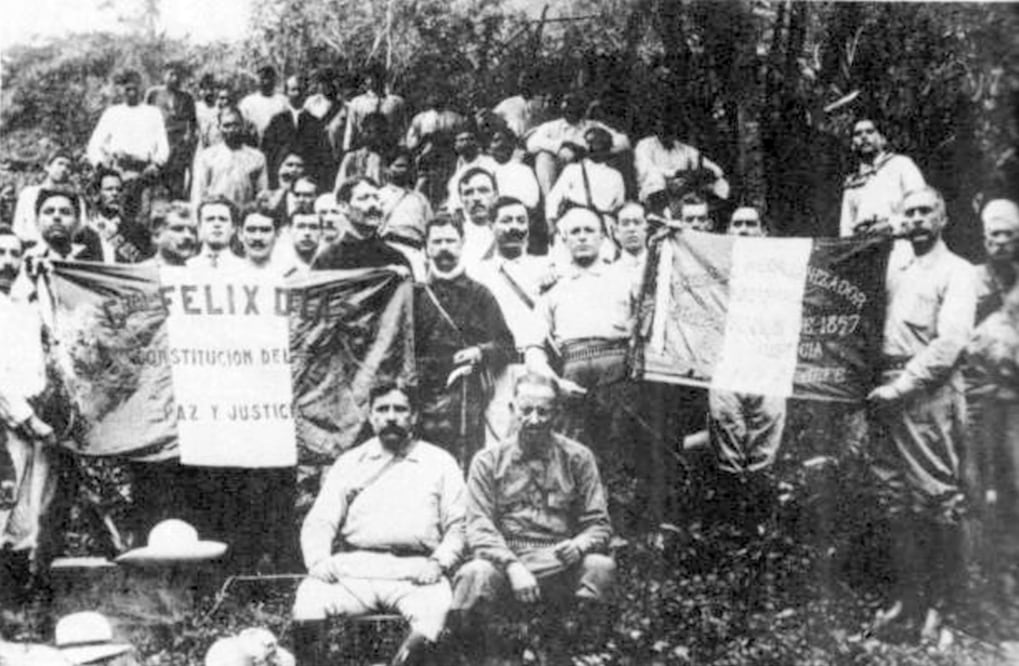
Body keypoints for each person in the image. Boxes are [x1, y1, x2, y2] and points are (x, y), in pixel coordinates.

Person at [866, 186, 975, 645]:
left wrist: (902, 386)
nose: (915, 220)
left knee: (936, 500)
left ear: (943, 217)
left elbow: (950, 343)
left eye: (925, 211)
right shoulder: (892, 265)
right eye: (908, 212)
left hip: (926, 394)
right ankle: (905, 599)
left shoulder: (958, 271)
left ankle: (940, 607)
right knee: (893, 500)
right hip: (883, 393)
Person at [291, 381, 466, 666]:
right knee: (310, 597)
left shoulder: (439, 462)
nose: (391, 417)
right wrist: (318, 560)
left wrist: (439, 562)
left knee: (437, 609)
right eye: (382, 409)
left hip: (415, 572)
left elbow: (458, 526)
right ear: (371, 416)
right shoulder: (351, 462)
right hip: (355, 570)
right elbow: (320, 519)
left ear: (414, 416)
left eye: (400, 409)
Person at [450, 373, 615, 665]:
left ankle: (581, 653)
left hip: (560, 560)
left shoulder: (579, 458)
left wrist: (579, 544)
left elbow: (598, 524)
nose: (535, 419)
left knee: (599, 567)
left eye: (544, 411)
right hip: (505, 560)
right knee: (474, 574)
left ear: (557, 413)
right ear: (513, 409)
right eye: (526, 410)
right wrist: (512, 565)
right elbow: (478, 526)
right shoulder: (488, 461)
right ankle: (474, 656)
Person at [706, 206, 786, 529]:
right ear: (727, 231)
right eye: (736, 224)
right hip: (726, 363)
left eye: (750, 224)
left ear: (763, 232)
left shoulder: (781, 266)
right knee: (727, 431)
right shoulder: (712, 266)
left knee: (765, 433)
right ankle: (731, 523)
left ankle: (761, 524)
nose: (743, 229)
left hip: (768, 363)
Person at [414, 213, 516, 465]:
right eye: (436, 242)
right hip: (422, 394)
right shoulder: (414, 296)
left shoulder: (480, 295)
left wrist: (480, 352)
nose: (444, 248)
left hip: (465, 394)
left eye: (450, 240)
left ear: (462, 243)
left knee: (465, 462)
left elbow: (506, 345)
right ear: (426, 248)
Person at [0, 228, 57, 610]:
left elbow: (53, 339)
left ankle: (14, 609)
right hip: (7, 423)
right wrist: (22, 415)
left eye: (14, 253)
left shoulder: (21, 305)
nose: (6, 261)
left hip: (32, 425)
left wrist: (45, 280)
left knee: (27, 516)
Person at [468, 196, 556, 445]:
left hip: (542, 366)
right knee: (499, 440)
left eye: (521, 220)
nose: (514, 227)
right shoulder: (477, 272)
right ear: (491, 225)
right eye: (506, 220)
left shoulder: (548, 266)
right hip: (501, 367)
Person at [965, 199, 1019, 519]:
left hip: (1014, 394)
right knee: (976, 475)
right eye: (993, 235)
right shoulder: (970, 280)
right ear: (984, 240)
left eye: (1008, 235)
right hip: (977, 392)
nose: (1000, 242)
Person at [86, 69, 169, 221]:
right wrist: (102, 166)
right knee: (115, 216)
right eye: (127, 88)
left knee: (142, 217)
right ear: (121, 90)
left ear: (141, 88)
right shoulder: (113, 113)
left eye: (134, 88)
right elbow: (94, 145)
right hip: (118, 172)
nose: (131, 92)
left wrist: (157, 164)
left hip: (144, 172)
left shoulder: (153, 113)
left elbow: (163, 146)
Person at [525, 92, 629, 197]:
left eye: (575, 108)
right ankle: (550, 198)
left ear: (582, 110)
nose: (571, 112)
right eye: (568, 108)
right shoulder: (552, 126)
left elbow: (623, 140)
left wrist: (596, 151)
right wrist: (560, 146)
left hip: (585, 167)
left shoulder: (592, 125)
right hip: (558, 167)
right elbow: (532, 142)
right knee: (544, 157)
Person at [840, 117, 925, 240]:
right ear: (853, 144)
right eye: (858, 134)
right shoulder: (852, 182)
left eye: (870, 132)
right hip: (865, 251)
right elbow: (846, 228)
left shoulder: (902, 165)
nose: (863, 137)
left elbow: (922, 206)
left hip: (900, 245)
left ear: (882, 139)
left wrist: (890, 224)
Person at [312, 177, 411, 271]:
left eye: (377, 198)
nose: (374, 205)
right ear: (343, 207)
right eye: (364, 198)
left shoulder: (395, 257)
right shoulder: (328, 259)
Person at [634, 116, 730, 208]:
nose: (666, 131)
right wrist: (677, 173)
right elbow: (646, 169)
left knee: (720, 182)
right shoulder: (644, 145)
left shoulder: (684, 149)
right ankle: (660, 213)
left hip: (682, 188)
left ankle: (720, 214)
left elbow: (717, 170)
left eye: (670, 128)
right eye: (663, 126)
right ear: (656, 128)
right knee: (654, 177)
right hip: (655, 190)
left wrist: (708, 171)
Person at [545, 126, 625, 235]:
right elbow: (554, 198)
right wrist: (551, 223)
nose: (590, 147)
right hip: (574, 219)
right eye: (588, 143)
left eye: (597, 143)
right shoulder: (572, 170)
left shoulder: (615, 176)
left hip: (603, 225)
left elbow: (618, 205)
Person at [261, 75, 332, 189]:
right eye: (293, 90)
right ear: (286, 93)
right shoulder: (277, 120)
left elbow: (323, 153)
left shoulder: (314, 122)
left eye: (301, 89)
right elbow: (268, 151)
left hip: (308, 176)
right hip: (282, 178)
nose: (297, 93)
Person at [190, 107, 268, 211]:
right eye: (226, 126)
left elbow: (262, 194)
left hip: (245, 213)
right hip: (216, 215)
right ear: (219, 128)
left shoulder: (257, 157)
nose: (232, 130)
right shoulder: (207, 156)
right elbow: (198, 193)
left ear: (243, 126)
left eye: (236, 125)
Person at [145, 62, 198, 199]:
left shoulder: (187, 97)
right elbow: (144, 116)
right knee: (156, 181)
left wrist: (188, 141)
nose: (175, 78)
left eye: (178, 75)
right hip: (159, 141)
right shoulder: (153, 94)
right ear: (164, 75)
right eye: (171, 74)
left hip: (178, 145)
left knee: (176, 181)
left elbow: (192, 123)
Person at [12, 150, 85, 245]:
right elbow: (18, 226)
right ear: (48, 167)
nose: (64, 169)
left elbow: (80, 228)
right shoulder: (29, 193)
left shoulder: (76, 199)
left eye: (68, 167)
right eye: (60, 163)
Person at [86, 168, 152, 263]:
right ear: (97, 194)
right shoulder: (87, 231)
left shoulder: (137, 230)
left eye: (119, 190)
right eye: (109, 189)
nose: (115, 193)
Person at [343, 64, 407, 152]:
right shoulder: (357, 102)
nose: (373, 80)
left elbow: (402, 129)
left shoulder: (395, 102)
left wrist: (403, 147)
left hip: (389, 149)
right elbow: (351, 127)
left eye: (377, 76)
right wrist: (347, 147)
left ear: (383, 78)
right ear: (365, 80)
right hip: (364, 148)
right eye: (369, 77)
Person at [446, 125, 499, 216]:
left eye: (470, 139)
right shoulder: (455, 171)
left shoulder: (490, 163)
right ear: (455, 145)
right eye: (461, 140)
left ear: (477, 143)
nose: (466, 142)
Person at [456, 167, 501, 270]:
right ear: (461, 198)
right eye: (468, 192)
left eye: (483, 190)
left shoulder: (509, 231)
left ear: (495, 195)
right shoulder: (456, 237)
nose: (476, 198)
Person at [334, 112, 389, 192]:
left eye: (378, 132)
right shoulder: (351, 157)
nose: (373, 136)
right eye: (368, 132)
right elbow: (339, 185)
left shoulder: (384, 158)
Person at [186, 196, 245, 270]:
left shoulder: (244, 268)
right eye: (210, 219)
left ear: (233, 228)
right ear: (199, 227)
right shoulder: (187, 267)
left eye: (223, 219)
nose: (217, 224)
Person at [492, 71, 550, 141]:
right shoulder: (508, 103)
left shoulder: (543, 103)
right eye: (522, 82)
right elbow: (492, 117)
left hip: (538, 141)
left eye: (529, 83)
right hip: (514, 143)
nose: (525, 85)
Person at [239, 65, 289, 145]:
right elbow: (241, 126)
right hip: (254, 144)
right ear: (257, 80)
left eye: (269, 78)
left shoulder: (283, 101)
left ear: (274, 80)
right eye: (263, 78)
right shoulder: (247, 102)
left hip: (277, 146)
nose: (266, 82)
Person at [144, 201, 197, 267]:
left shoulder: (200, 274)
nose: (188, 236)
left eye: (193, 231)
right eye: (178, 229)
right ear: (157, 234)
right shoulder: (138, 273)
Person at [611, 201, 649, 283]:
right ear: (616, 232)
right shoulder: (608, 274)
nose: (631, 229)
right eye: (625, 224)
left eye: (637, 222)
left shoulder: (662, 267)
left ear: (647, 228)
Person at [287, 211, 322, 275]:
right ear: (289, 230)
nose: (307, 233)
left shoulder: (330, 266)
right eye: (300, 227)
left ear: (321, 232)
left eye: (313, 227)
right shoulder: (278, 269)